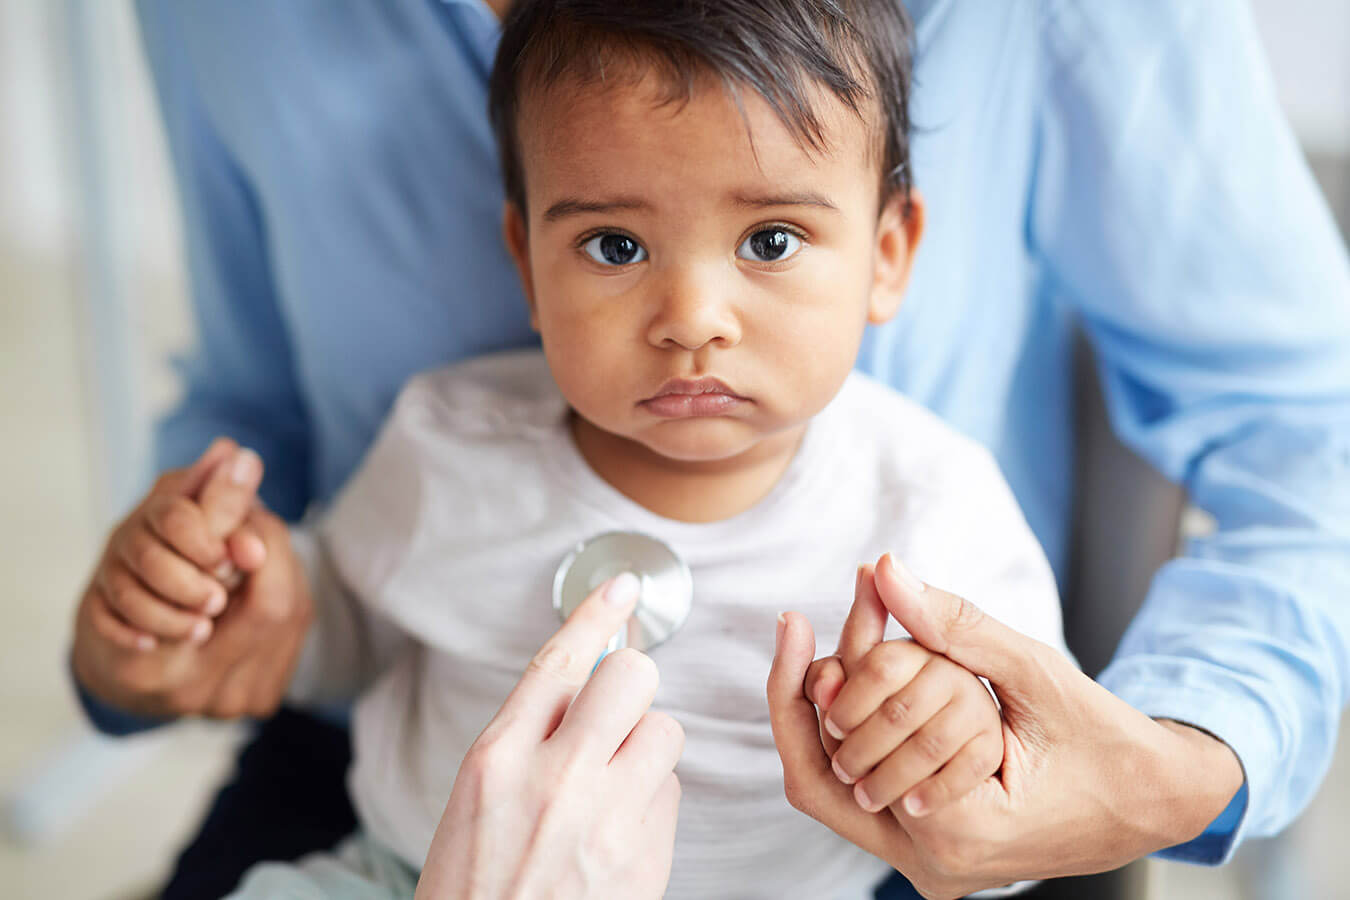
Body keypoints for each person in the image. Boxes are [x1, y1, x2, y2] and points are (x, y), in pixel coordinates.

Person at [70, 0, 1350, 896]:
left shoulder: (935, 503)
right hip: (400, 852)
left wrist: (1022, 752)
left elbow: (1301, 421)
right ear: (524, 255)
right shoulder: (445, 436)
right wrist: (229, 609)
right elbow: (344, 602)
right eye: (614, 247)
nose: (690, 320)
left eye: (773, 242)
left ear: (892, 250)